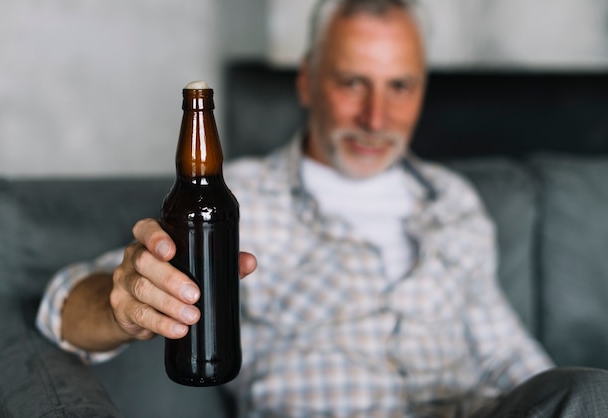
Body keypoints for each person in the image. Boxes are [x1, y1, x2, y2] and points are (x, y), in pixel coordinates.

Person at [37, 0, 608, 416]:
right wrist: (122, 306)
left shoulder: (454, 203)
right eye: (353, 83)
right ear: (308, 82)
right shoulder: (241, 199)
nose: (376, 116)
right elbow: (62, 305)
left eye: (399, 86)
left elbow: (511, 360)